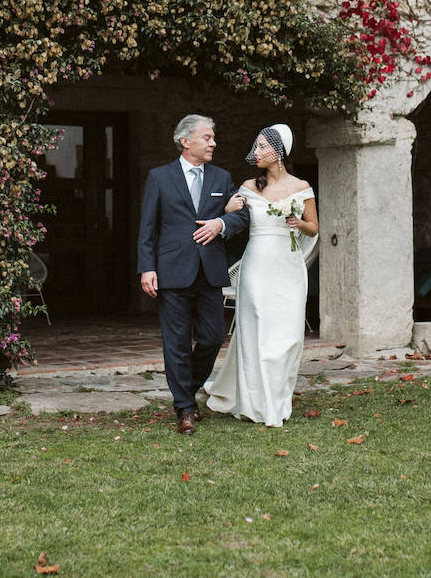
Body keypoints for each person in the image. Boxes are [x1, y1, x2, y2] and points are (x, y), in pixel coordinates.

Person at [136, 114, 249, 435]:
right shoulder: (159, 177)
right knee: (176, 344)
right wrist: (147, 267)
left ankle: (186, 391)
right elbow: (147, 227)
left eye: (213, 138)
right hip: (171, 271)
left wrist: (221, 224)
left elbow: (241, 215)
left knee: (213, 337)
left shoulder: (221, 177)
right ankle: (184, 407)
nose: (213, 143)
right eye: (207, 138)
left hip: (210, 272)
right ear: (186, 141)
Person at [204, 123, 318, 427]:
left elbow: (314, 227)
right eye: (256, 147)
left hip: (289, 267)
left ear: (279, 151)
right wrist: (226, 208)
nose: (256, 153)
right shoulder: (248, 187)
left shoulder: (302, 186)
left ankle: (278, 397)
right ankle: (256, 403)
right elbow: (230, 219)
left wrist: (296, 222)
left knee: (290, 334)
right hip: (256, 265)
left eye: (262, 147)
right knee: (257, 331)